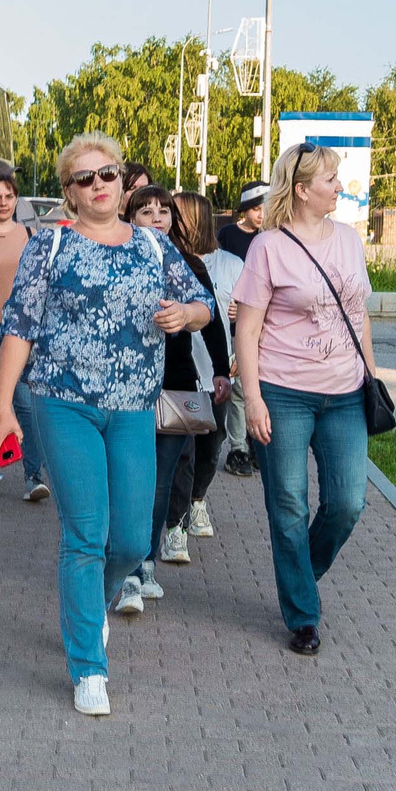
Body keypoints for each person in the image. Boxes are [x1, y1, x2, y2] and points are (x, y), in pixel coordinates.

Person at [0, 133, 210, 718]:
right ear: (70, 192)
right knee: (86, 533)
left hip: (134, 406)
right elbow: (20, 326)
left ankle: (93, 607)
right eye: (85, 179)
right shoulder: (49, 246)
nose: (99, 185)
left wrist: (185, 315)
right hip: (64, 402)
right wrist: (2, 405)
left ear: (120, 179)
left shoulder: (153, 247)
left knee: (133, 539)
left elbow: (202, 303)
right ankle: (88, 665)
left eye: (107, 174)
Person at [235, 144, 375, 656]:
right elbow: (246, 332)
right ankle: (302, 614)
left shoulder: (349, 240)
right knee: (289, 505)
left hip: (345, 393)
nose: (340, 186)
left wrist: (372, 379)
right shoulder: (268, 247)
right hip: (283, 391)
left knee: (346, 503)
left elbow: (359, 314)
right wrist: (253, 400)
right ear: (301, 190)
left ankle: (299, 576)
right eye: (331, 179)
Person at [132, 186, 232, 592]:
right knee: (129, 478)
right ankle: (120, 556)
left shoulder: (188, 264)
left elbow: (209, 319)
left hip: (175, 382)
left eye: (164, 211)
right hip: (126, 389)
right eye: (145, 211)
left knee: (162, 481)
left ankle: (145, 563)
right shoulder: (119, 260)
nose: (157, 217)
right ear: (130, 216)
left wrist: (221, 371)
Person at [0, 165, 47, 500]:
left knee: (25, 401)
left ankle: (33, 475)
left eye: (9, 196)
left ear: (17, 199)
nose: (3, 202)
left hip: (25, 329)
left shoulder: (31, 237)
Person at [167, 190, 231, 544]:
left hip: (214, 372)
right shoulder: (171, 259)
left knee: (210, 447)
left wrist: (227, 364)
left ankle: (197, 500)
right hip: (185, 372)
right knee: (183, 454)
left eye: (175, 212)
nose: (168, 218)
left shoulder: (225, 264)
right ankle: (175, 523)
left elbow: (220, 321)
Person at [214, 181, 269, 478]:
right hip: (237, 323)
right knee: (238, 387)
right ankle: (238, 448)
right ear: (245, 210)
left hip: (263, 323)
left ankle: (255, 441)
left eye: (265, 209)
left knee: (260, 384)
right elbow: (223, 275)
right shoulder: (228, 235)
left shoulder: (271, 237)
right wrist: (233, 304)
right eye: (256, 209)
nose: (261, 215)